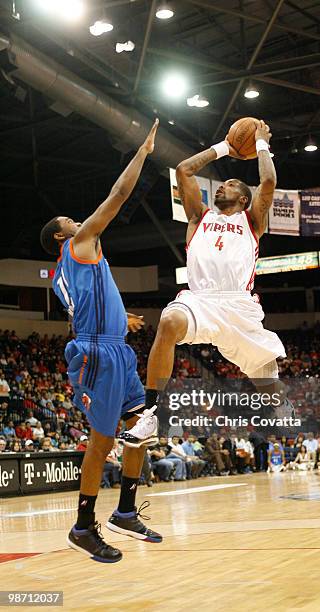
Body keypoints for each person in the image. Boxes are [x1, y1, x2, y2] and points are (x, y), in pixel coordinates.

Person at [39, 119, 161, 563]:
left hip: (113, 346)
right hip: (95, 353)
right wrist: (143, 152)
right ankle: (82, 526)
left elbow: (89, 299)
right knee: (101, 442)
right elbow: (118, 196)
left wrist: (119, 317)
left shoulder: (75, 265)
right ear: (60, 235)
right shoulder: (80, 244)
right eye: (68, 221)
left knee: (141, 429)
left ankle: (126, 511)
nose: (77, 220)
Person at [121, 120, 286, 446]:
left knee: (270, 387)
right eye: (222, 184)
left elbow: (267, 180)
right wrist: (226, 146)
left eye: (231, 185)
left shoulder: (252, 221)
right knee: (168, 321)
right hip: (199, 300)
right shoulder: (199, 216)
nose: (222, 186)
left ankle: (283, 406)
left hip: (238, 306)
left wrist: (262, 143)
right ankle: (150, 416)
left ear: (244, 199)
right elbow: (183, 170)